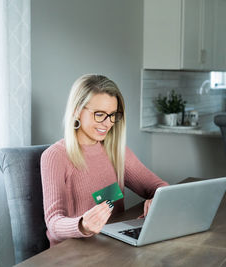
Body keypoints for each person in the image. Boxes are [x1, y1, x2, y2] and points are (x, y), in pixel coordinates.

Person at [40, 74, 168, 246]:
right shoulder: (55, 156)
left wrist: (157, 199)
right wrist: (82, 225)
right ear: (77, 110)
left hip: (113, 245)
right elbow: (53, 222)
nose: (107, 123)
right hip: (73, 251)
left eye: (112, 115)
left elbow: (160, 187)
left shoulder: (116, 151)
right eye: (99, 114)